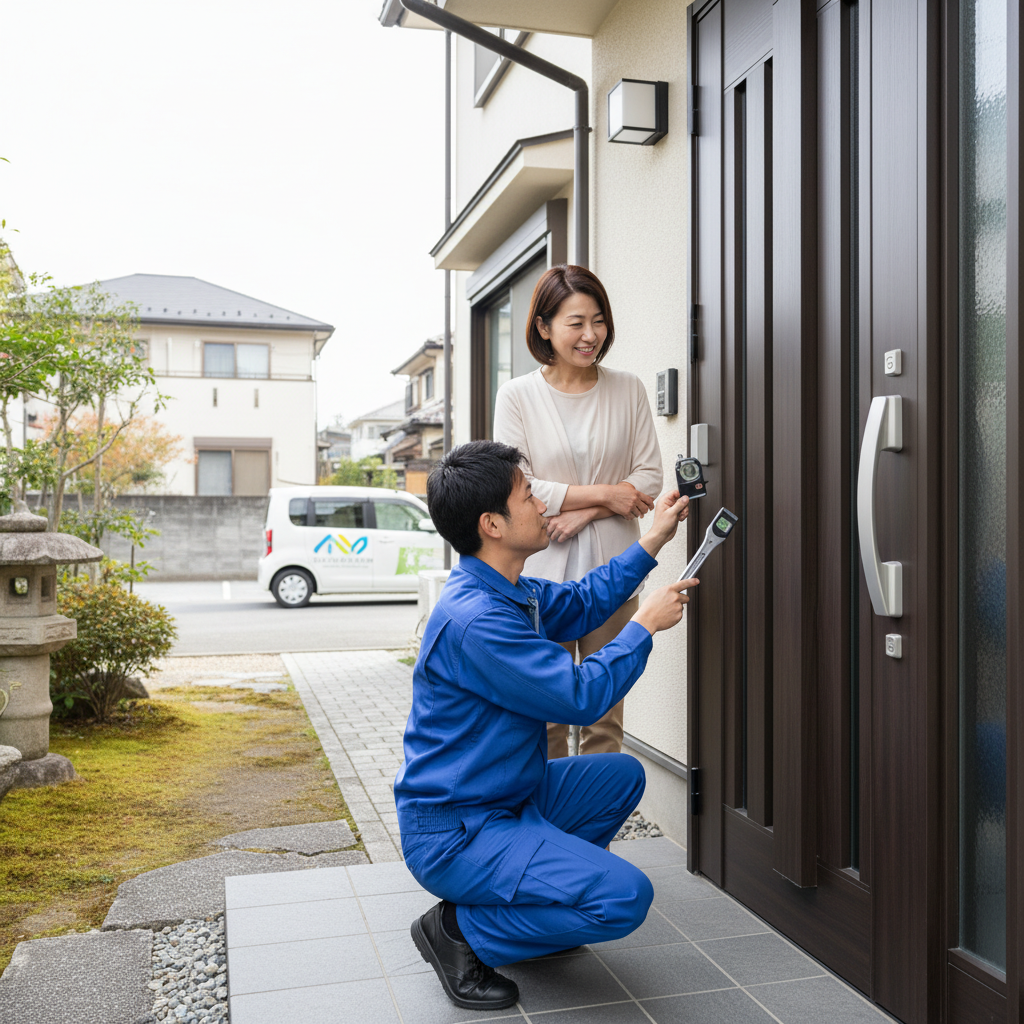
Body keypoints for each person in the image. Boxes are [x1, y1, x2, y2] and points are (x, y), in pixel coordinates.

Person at [394, 440, 697, 1011]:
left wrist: (653, 538)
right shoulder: (477, 620)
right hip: (458, 831)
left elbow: (582, 604)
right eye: (528, 496)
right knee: (625, 897)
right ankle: (459, 932)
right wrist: (643, 627)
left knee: (620, 775)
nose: (542, 506)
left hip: (510, 799)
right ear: (493, 524)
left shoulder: (509, 590)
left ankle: (532, 907)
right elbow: (578, 697)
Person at [492, 264, 662, 759]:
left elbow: (648, 475)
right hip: (541, 576)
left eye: (599, 320)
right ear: (544, 327)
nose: (591, 335)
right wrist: (608, 496)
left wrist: (586, 509)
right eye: (576, 323)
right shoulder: (518, 395)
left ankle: (595, 835)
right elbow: (516, 481)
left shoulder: (627, 388)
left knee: (605, 717)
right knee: (543, 719)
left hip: (614, 572)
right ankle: (547, 834)